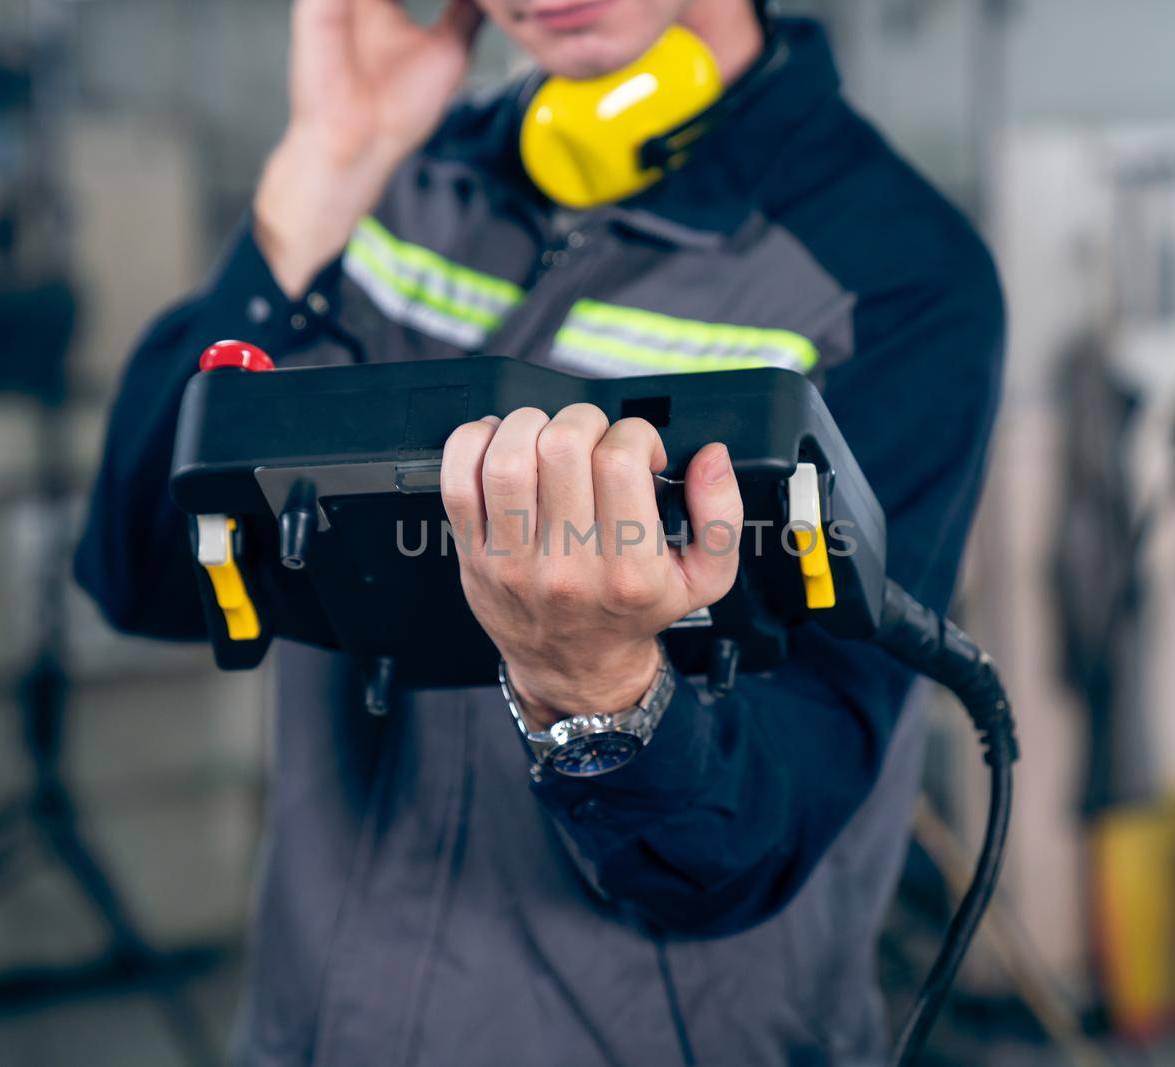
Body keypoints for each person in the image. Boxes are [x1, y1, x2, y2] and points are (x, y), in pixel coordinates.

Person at [75, 0, 1005, 1063]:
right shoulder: (401, 188)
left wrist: (600, 694)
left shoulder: (892, 275)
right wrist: (324, 169)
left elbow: (765, 827)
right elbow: (140, 570)